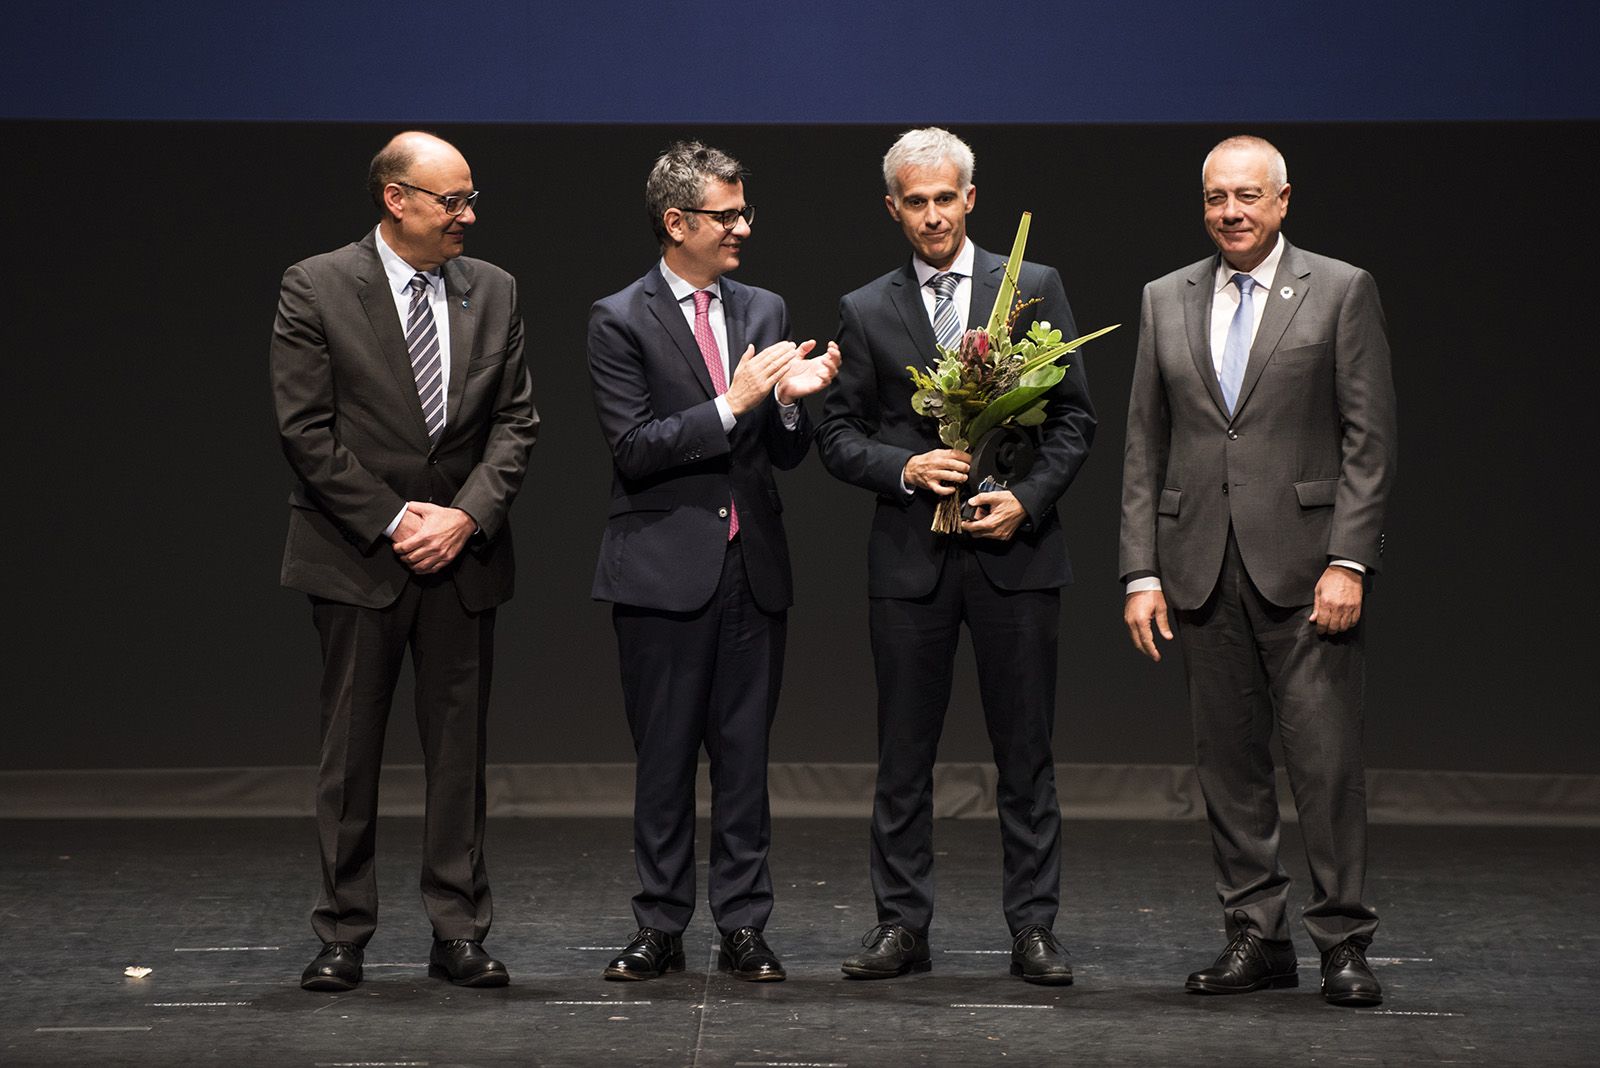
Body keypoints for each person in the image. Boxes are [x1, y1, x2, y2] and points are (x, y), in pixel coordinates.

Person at [1118, 135, 1397, 1007]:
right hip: (1200, 562)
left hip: (1309, 570)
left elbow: (1368, 438)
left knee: (1324, 763)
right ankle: (1255, 936)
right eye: (1214, 198)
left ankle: (1342, 941)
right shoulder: (1167, 297)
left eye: (1247, 196)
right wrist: (1140, 572)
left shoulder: (1340, 288)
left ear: (1282, 201)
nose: (1229, 212)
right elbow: (1144, 444)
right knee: (1228, 766)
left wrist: (1349, 558)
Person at [815, 127, 1095, 985]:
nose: (933, 216)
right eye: (916, 201)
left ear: (971, 200)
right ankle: (902, 925)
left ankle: (1034, 928)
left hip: (1017, 554)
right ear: (893, 207)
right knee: (904, 756)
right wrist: (902, 466)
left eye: (947, 198)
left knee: (1026, 756)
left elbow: (1073, 421)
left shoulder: (1033, 288)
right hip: (910, 560)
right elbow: (835, 433)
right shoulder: (866, 308)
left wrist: (1027, 499)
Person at [271, 131, 538, 992]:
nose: (468, 214)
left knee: (459, 752)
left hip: (462, 556)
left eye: (470, 199)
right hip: (357, 557)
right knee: (350, 754)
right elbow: (306, 432)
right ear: (396, 199)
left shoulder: (492, 290)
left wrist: (462, 518)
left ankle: (457, 930)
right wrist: (394, 521)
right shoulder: (316, 285)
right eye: (450, 201)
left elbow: (516, 424)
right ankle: (343, 932)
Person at [587, 141, 840, 983]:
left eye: (744, 211)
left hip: (751, 567)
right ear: (677, 222)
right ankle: (659, 926)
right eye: (726, 215)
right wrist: (733, 403)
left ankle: (744, 925)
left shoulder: (764, 309)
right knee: (663, 758)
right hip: (663, 570)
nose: (743, 227)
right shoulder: (619, 318)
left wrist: (794, 409)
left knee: (745, 759)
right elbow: (633, 449)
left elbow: (783, 451)